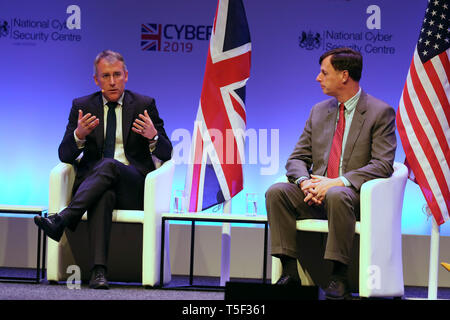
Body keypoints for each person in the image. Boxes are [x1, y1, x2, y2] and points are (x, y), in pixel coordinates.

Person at [34, 50, 172, 289]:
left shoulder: (143, 105)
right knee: (103, 193)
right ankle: (99, 272)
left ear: (126, 76)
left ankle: (64, 218)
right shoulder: (83, 106)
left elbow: (166, 153)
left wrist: (153, 137)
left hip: (133, 186)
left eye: (117, 74)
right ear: (96, 79)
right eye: (105, 76)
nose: (112, 81)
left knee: (108, 165)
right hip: (94, 187)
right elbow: (65, 155)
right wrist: (79, 136)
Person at [265, 47, 396, 300]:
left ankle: (339, 277)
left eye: (324, 73)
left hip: (353, 198)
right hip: (315, 195)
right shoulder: (318, 111)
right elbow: (296, 159)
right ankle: (290, 274)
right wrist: (305, 183)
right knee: (277, 192)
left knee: (337, 194)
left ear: (344, 75)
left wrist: (337, 182)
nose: (318, 78)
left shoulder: (380, 112)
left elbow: (383, 164)